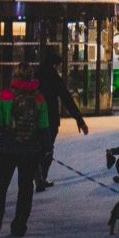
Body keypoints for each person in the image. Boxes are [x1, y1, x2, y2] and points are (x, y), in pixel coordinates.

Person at [0, 61, 49, 238]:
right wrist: (46, 148)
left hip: (7, 148)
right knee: (25, 187)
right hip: (30, 149)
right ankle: (19, 225)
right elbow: (44, 125)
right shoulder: (38, 98)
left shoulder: (5, 95)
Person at [34, 48, 89, 192]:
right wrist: (79, 120)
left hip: (34, 118)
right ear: (54, 65)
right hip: (50, 119)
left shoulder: (36, 76)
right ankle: (41, 176)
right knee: (47, 149)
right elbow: (66, 98)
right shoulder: (53, 77)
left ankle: (35, 174)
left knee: (36, 148)